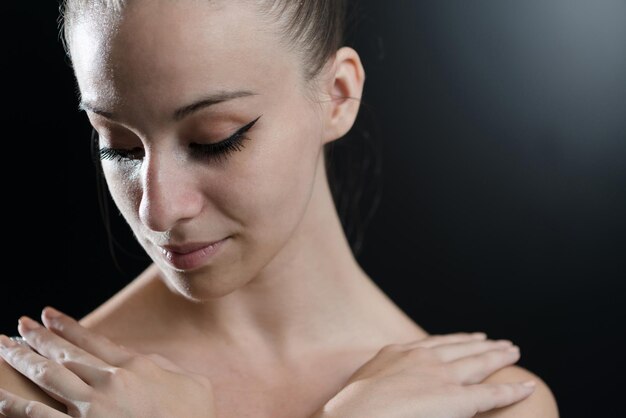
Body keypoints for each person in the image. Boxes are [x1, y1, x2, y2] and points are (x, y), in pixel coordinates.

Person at [0, 0, 559, 417]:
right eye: (118, 146)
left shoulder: (492, 407)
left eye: (215, 139)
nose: (158, 211)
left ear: (337, 95)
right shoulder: (36, 394)